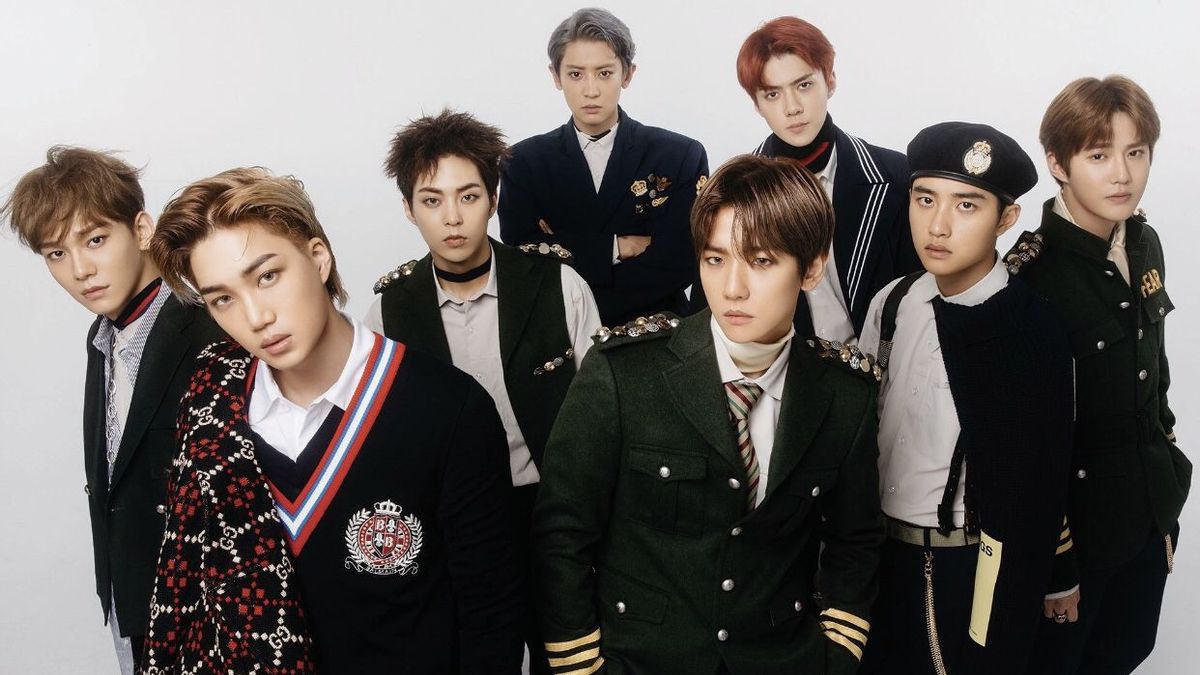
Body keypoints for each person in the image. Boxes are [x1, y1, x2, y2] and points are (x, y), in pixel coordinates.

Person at [144, 167, 523, 673]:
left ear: (318, 257)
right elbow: (187, 592)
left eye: (267, 276)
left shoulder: (449, 409)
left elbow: (491, 621)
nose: (255, 317)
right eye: (223, 299)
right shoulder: (213, 407)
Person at [532, 154, 884, 674]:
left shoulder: (845, 394)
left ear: (812, 268)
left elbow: (855, 541)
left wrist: (835, 655)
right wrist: (582, 668)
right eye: (716, 259)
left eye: (761, 261)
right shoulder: (624, 373)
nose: (732, 288)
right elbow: (562, 534)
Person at [365, 109, 601, 673]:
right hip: (450, 526)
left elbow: (602, 417)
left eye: (468, 196)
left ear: (493, 200)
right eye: (432, 200)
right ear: (408, 208)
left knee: (572, 661)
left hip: (552, 513)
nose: (452, 217)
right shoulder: (388, 310)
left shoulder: (557, 284)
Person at [857, 123, 1074, 674]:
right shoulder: (894, 300)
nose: (938, 225)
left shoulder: (1030, 328)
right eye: (924, 199)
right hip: (872, 554)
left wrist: (1057, 576)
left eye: (967, 205)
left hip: (962, 561)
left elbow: (1044, 475)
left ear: (1006, 219)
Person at [1, 146, 224, 675]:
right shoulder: (100, 339)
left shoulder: (209, 330)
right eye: (56, 253)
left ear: (142, 229)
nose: (80, 270)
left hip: (209, 614)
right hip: (131, 605)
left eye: (95, 239)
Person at [1007, 75, 1191, 675]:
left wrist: (1166, 502)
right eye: (1098, 155)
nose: (1122, 175)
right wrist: (1055, 568)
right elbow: (1023, 448)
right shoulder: (1030, 278)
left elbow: (1155, 380)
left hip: (1145, 514)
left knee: (1128, 652)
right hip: (1076, 539)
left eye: (1136, 153)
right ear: (1058, 163)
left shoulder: (1144, 243)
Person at [712, 16, 919, 342]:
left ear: (830, 81)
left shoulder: (895, 176)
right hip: (783, 367)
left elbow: (922, 295)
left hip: (885, 362)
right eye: (772, 94)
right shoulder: (732, 194)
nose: (792, 107)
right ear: (756, 104)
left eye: (804, 85)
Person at [499, 7, 708, 326]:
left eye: (604, 73)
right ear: (555, 76)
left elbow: (681, 262)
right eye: (575, 74)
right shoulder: (523, 162)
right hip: (558, 334)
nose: (591, 90)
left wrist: (566, 247)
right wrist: (617, 246)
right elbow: (523, 261)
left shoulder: (679, 154)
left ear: (628, 74)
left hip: (657, 332)